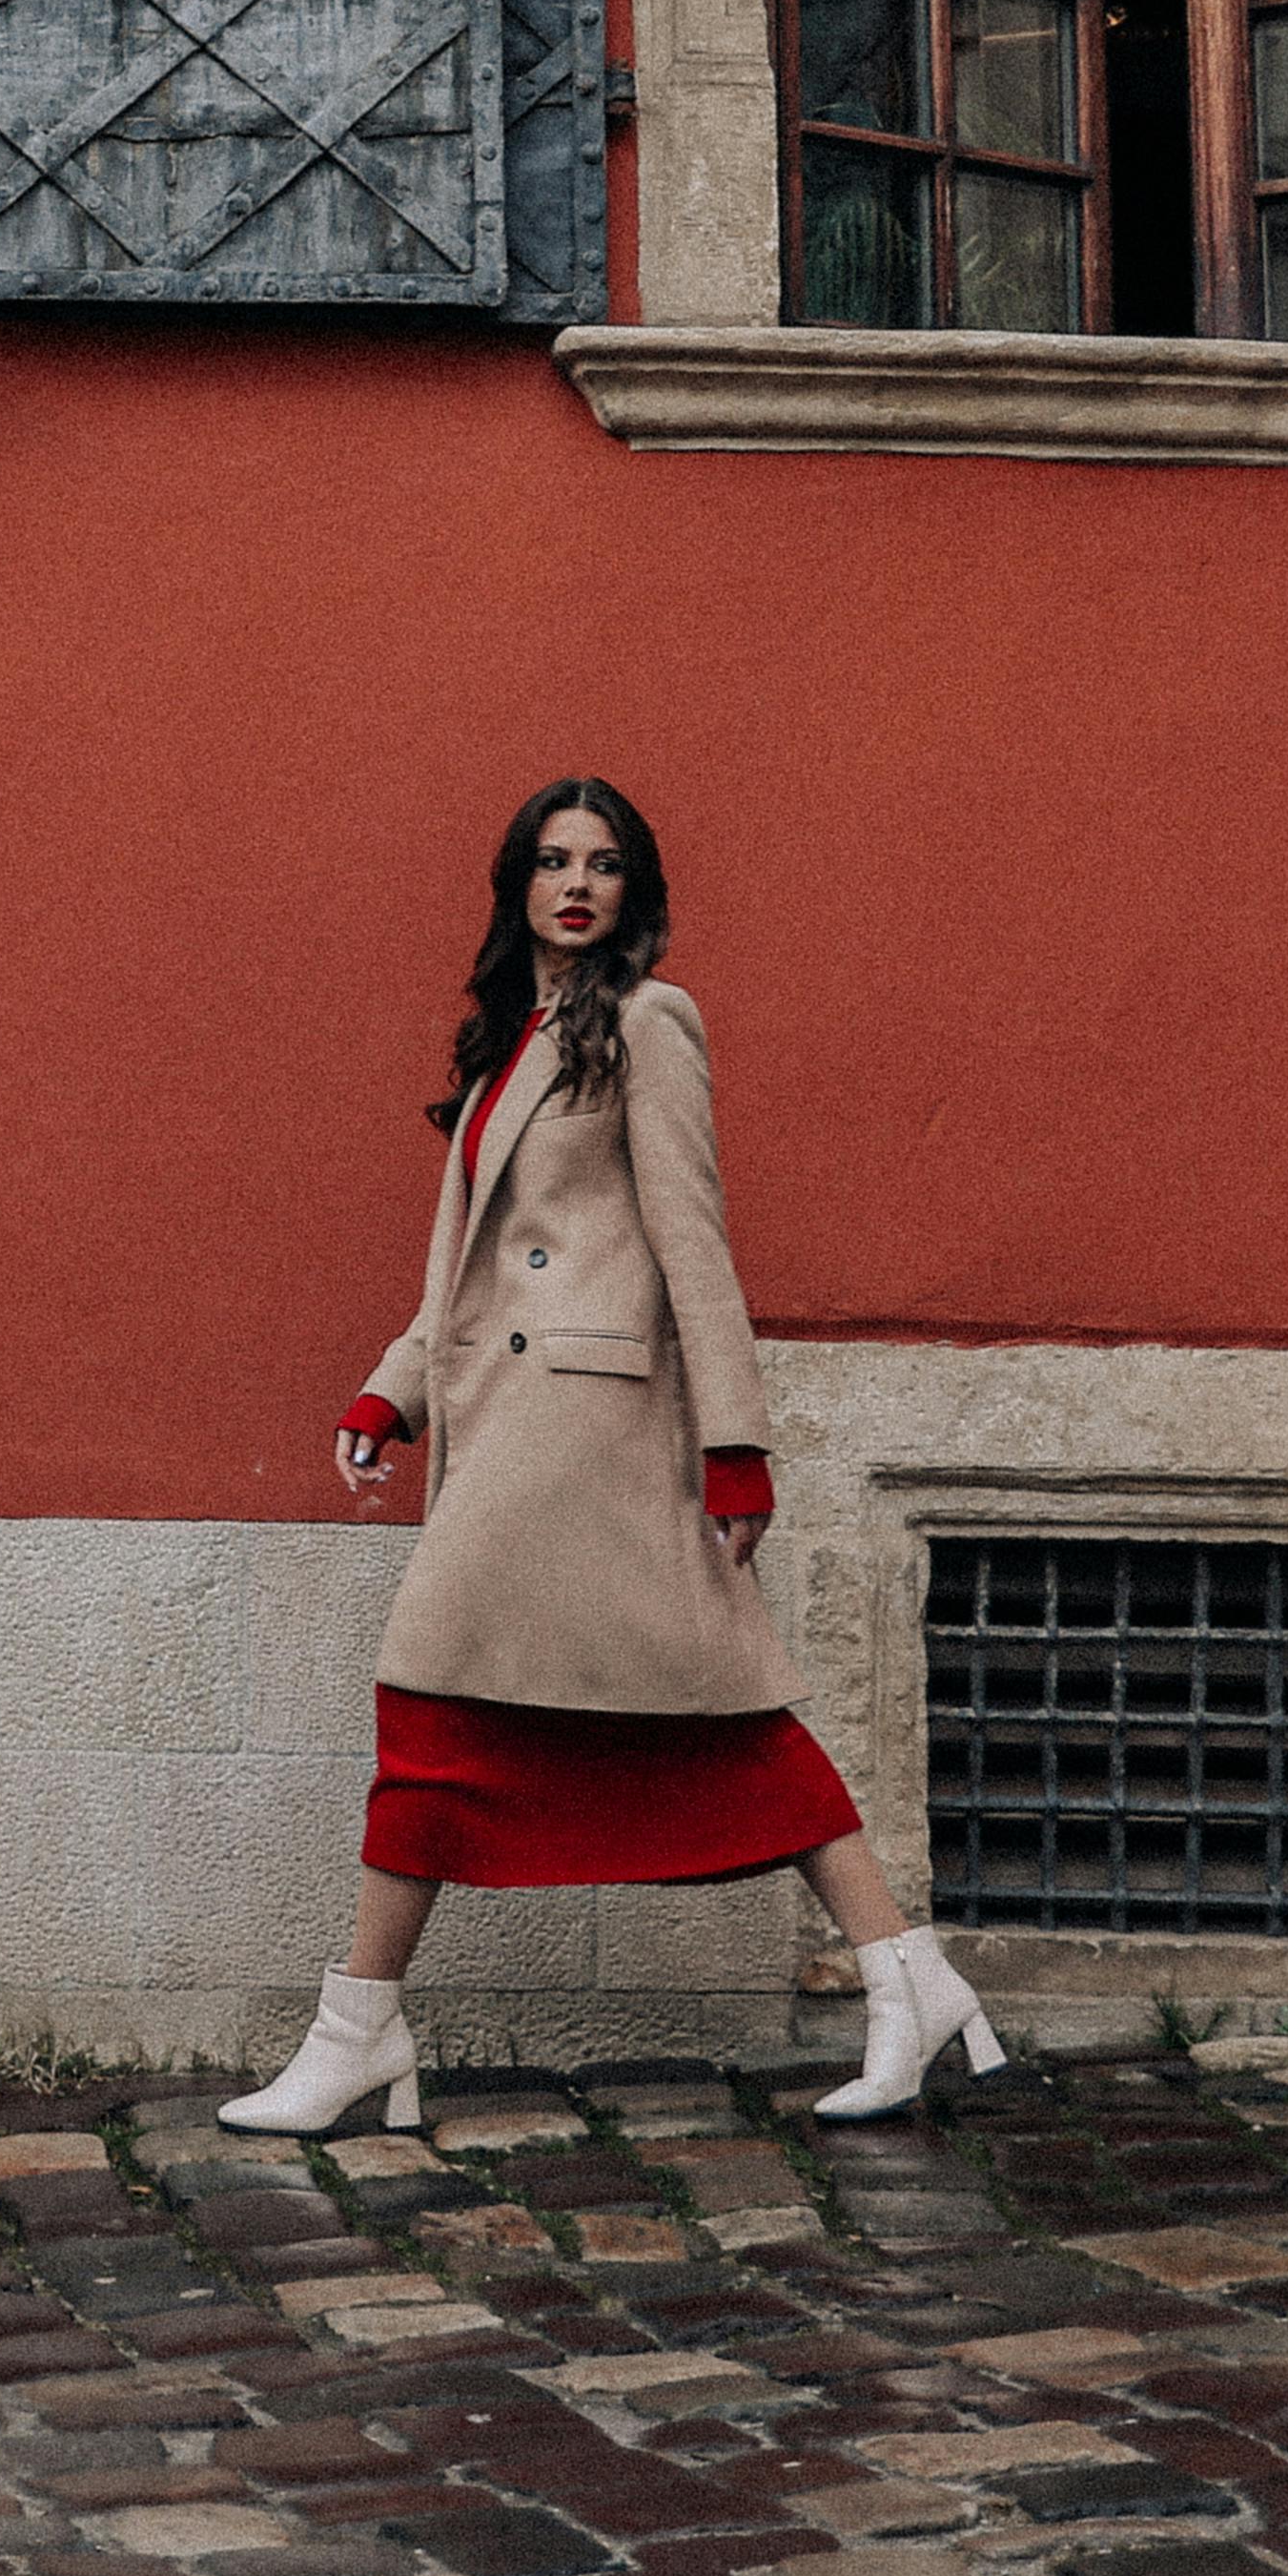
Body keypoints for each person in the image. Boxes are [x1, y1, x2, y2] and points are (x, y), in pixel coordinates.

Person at [223, 775, 1005, 2135]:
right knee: (669, 1718)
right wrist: (390, 1393)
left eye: (601, 865)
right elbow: (469, 1276)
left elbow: (691, 1237)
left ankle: (360, 2030)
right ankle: (908, 1972)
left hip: (586, 1432)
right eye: (550, 861)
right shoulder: (503, 1041)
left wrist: (738, 1447)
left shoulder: (651, 1022)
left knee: (447, 1700)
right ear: (515, 885)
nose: (575, 885)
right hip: (510, 1425)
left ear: (633, 893)